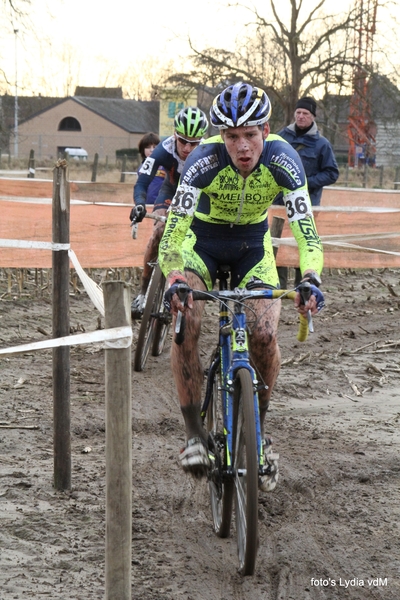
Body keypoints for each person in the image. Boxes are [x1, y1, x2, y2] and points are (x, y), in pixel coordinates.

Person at [158, 82, 325, 491]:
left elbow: (308, 235)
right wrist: (176, 276)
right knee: (188, 323)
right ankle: (195, 434)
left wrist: (311, 277)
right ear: (221, 137)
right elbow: (173, 236)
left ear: (266, 131)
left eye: (250, 135)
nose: (242, 147)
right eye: (232, 137)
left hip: (253, 245)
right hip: (203, 245)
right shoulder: (202, 160)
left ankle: (259, 433)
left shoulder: (285, 160)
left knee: (265, 333)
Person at [130, 107, 209, 318]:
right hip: (170, 191)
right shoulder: (163, 150)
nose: (187, 147)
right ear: (174, 134)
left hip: (199, 197)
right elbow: (142, 182)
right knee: (159, 231)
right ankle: (143, 293)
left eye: (194, 142)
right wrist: (139, 204)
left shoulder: (209, 151)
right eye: (183, 140)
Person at [274, 96, 339, 288]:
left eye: (306, 113)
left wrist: (305, 183)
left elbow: (332, 173)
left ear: (313, 117)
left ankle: (302, 285)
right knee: (278, 243)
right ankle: (279, 287)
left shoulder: (322, 145)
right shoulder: (281, 137)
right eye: (299, 113)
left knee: (304, 243)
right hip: (279, 203)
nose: (301, 117)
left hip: (306, 205)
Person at [137, 132, 166, 205]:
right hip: (146, 204)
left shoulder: (165, 166)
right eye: (148, 147)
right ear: (142, 149)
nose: (151, 150)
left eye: (154, 147)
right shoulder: (141, 167)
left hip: (161, 205)